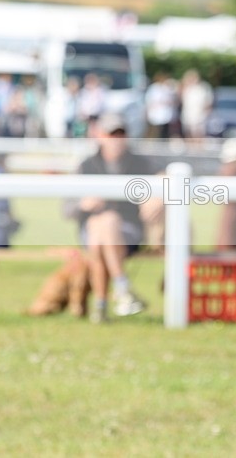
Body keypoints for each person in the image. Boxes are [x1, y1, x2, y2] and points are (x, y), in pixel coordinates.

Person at [73, 113, 152, 323]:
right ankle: (122, 290)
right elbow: (67, 206)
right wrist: (84, 204)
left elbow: (159, 185)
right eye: (111, 134)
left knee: (104, 227)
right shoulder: (86, 165)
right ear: (99, 135)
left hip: (127, 232)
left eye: (120, 134)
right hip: (95, 231)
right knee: (102, 226)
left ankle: (101, 306)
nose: (116, 140)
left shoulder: (140, 164)